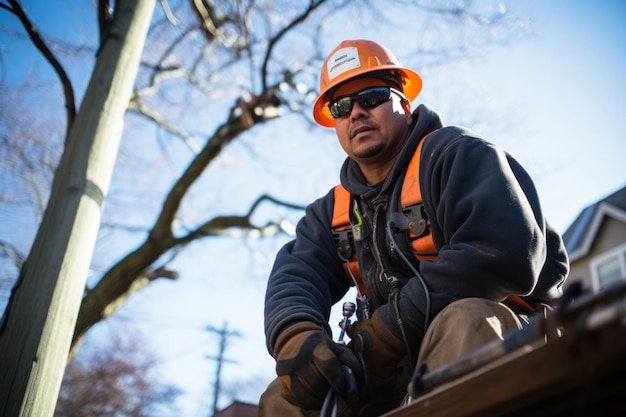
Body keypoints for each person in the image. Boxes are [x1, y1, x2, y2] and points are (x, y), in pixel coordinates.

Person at [258, 39, 569, 417]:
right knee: (287, 397)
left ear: (404, 104)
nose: (356, 112)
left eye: (371, 96)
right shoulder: (333, 213)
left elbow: (503, 252)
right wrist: (297, 336)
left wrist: (388, 329)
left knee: (465, 321)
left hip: (512, 338)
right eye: (341, 106)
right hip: (400, 358)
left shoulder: (455, 155)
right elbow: (295, 274)